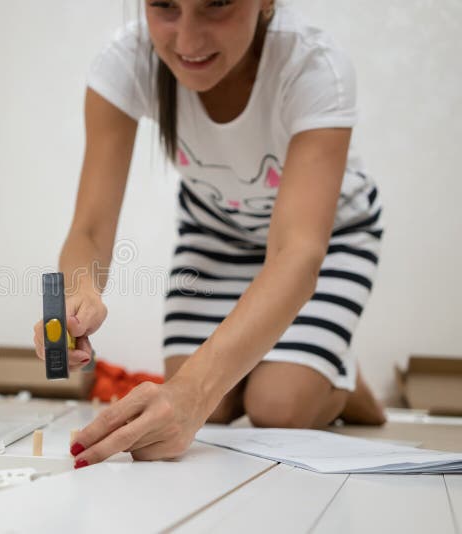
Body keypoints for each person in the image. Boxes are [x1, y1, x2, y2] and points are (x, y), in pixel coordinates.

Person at [33, 0, 386, 467]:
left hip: (328, 238)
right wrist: (79, 293)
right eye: (164, 6)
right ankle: (312, 357)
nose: (187, 41)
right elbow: (91, 227)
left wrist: (192, 391)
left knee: (278, 407)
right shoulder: (124, 61)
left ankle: (337, 377)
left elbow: (296, 253)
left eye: (216, 5)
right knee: (214, 409)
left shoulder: (314, 66)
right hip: (214, 237)